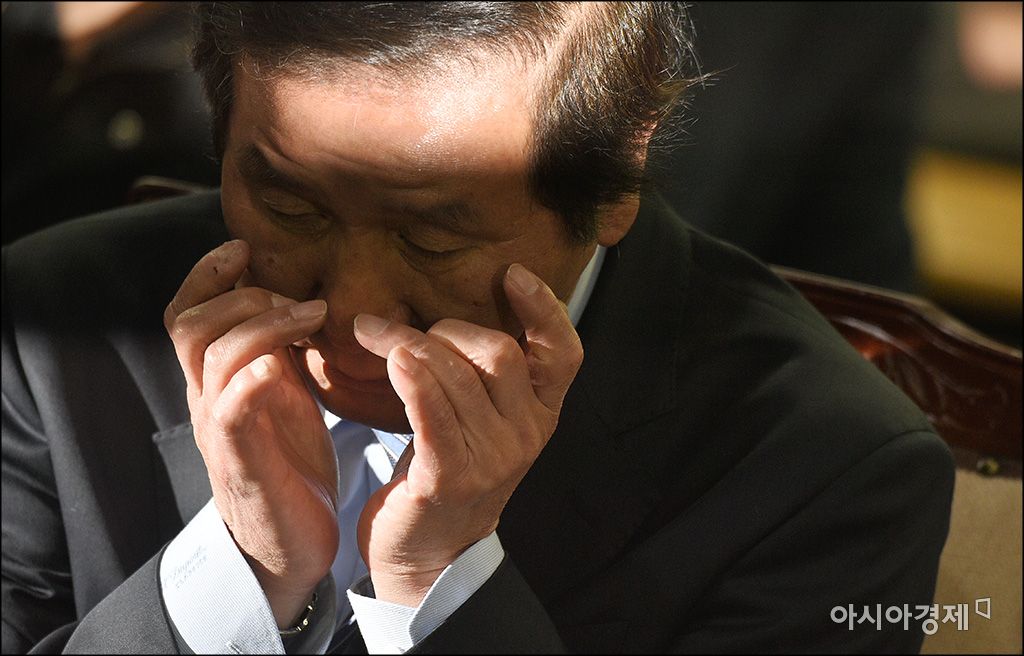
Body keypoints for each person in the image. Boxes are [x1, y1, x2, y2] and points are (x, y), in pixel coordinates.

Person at [1, 3, 955, 653]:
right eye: (292, 208)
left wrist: (439, 582)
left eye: (433, 236)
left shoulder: (829, 472)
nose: (352, 310)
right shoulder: (49, 337)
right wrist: (242, 571)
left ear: (614, 184)